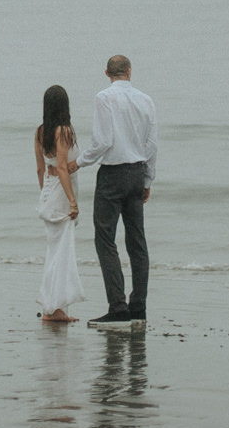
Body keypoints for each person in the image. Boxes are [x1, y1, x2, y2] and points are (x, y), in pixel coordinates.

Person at [74, 54, 156, 328]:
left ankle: (118, 306)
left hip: (112, 174)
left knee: (105, 239)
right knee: (137, 242)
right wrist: (147, 181)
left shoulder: (104, 98)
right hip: (136, 172)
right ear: (130, 72)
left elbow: (103, 141)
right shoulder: (146, 100)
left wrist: (79, 162)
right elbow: (151, 144)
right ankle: (139, 306)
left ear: (106, 73)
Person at [34, 84, 85, 323]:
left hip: (48, 192)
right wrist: (73, 202)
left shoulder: (40, 131)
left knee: (55, 251)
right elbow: (63, 167)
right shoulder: (64, 131)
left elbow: (40, 168)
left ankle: (55, 307)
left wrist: (44, 193)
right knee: (61, 253)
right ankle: (52, 308)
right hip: (62, 194)